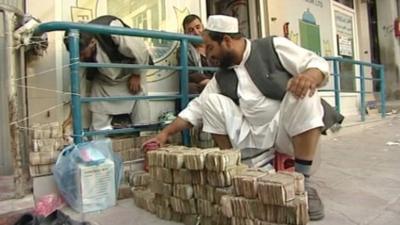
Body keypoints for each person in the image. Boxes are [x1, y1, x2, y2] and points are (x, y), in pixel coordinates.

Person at [144, 15, 344, 220]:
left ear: (227, 41)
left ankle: (304, 183)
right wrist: (164, 135)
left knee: (304, 91)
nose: (208, 54)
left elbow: (316, 62)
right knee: (210, 102)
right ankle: (233, 169)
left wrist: (309, 76)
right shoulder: (222, 75)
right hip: (252, 140)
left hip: (287, 133)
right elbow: (196, 108)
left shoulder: (272, 46)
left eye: (211, 47)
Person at [64, 15, 152, 130]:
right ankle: (97, 140)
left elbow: (140, 50)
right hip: (104, 79)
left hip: (130, 73)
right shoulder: (79, 48)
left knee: (141, 108)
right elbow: (78, 84)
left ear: (92, 42)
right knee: (97, 109)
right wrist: (72, 115)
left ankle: (144, 137)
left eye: (82, 53)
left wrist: (137, 74)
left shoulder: (110, 27)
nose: (80, 57)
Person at [180, 14, 214, 94]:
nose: (196, 32)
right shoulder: (184, 50)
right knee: (190, 88)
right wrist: (212, 83)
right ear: (186, 33)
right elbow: (191, 73)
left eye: (198, 27)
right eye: (191, 30)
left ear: (203, 27)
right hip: (202, 86)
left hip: (216, 83)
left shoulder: (214, 46)